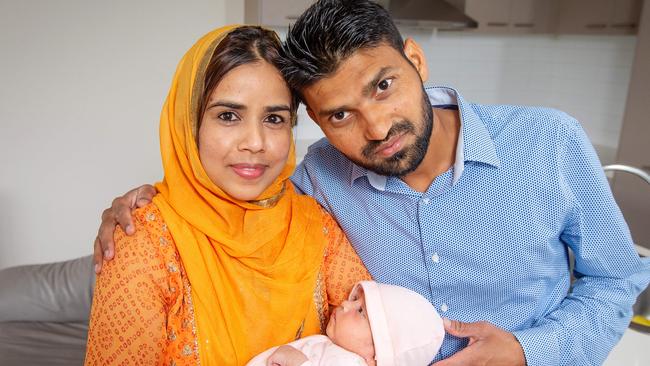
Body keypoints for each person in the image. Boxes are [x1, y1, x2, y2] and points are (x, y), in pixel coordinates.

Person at [94, 0, 650, 365]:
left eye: (384, 86)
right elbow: (231, 203)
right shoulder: (318, 182)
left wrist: (529, 351)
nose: (377, 128)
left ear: (416, 60)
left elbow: (616, 279)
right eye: (339, 115)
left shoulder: (548, 142)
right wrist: (142, 201)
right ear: (313, 121)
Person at [84, 24, 371, 366]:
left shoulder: (315, 226)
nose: (255, 142)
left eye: (274, 118)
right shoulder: (143, 241)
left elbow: (379, 333)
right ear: (189, 124)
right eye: (228, 116)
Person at [246, 280, 444, 366]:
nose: (345, 304)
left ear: (375, 356)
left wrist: (297, 362)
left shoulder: (350, 362)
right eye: (354, 299)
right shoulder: (338, 353)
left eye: (360, 311)